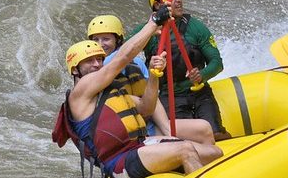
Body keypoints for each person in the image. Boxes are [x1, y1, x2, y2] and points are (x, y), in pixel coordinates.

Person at [52, 6, 223, 178]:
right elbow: (122, 58)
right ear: (75, 70)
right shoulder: (80, 91)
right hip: (119, 161)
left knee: (214, 152)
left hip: (138, 146)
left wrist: (154, 76)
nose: (97, 64)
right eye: (89, 61)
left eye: (99, 59)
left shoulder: (113, 94)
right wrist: (153, 23)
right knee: (185, 150)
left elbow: (147, 108)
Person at [87, 15, 215, 144]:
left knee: (204, 129)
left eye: (106, 39)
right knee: (179, 144)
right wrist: (149, 30)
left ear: (118, 39)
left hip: (148, 126)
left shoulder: (136, 63)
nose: (100, 44)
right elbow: (122, 56)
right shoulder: (98, 70)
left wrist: (167, 128)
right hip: (126, 134)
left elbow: (152, 98)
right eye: (95, 40)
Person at [129, 0, 231, 141]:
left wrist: (202, 75)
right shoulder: (146, 31)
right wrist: (150, 30)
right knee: (187, 140)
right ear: (157, 5)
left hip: (199, 92)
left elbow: (217, 63)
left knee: (215, 134)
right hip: (169, 97)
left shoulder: (195, 27)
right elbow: (124, 52)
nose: (179, 0)